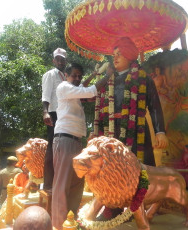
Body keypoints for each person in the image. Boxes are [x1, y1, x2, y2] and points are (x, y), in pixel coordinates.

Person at [52, 63, 113, 229]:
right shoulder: (63, 87)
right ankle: (59, 225)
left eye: (80, 76)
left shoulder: (73, 90)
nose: (77, 79)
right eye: (74, 75)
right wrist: (107, 76)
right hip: (64, 140)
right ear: (66, 76)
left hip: (77, 141)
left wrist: (93, 75)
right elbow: (89, 91)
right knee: (62, 185)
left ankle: (71, 222)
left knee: (76, 184)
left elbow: (83, 87)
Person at [96, 37, 168, 166]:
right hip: (112, 130)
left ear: (129, 55)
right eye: (114, 55)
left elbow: (154, 107)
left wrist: (160, 132)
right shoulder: (108, 81)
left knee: (140, 168)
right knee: (114, 168)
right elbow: (99, 108)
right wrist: (95, 132)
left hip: (136, 129)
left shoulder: (143, 78)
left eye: (119, 54)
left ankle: (143, 186)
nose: (115, 58)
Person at [42, 48, 67, 198]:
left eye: (62, 59)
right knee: (52, 146)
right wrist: (45, 112)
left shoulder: (66, 76)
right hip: (53, 113)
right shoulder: (50, 74)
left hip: (65, 114)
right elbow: (46, 94)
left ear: (65, 61)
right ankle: (48, 184)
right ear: (54, 60)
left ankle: (60, 181)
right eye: (57, 59)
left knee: (62, 148)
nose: (60, 61)